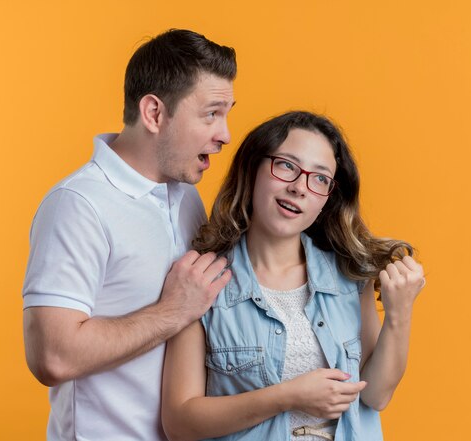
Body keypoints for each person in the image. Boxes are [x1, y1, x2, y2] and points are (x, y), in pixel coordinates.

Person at [22, 29, 236, 440]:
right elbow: (52, 356)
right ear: (154, 113)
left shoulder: (187, 196)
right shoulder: (79, 204)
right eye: (211, 113)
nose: (224, 133)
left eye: (226, 114)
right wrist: (174, 310)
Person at [161, 111, 425, 440]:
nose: (299, 187)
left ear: (328, 199)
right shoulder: (203, 281)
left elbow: (375, 396)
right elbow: (179, 423)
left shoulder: (348, 277)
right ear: (253, 168)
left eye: (319, 178)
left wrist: (399, 314)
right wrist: (287, 396)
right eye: (286, 165)